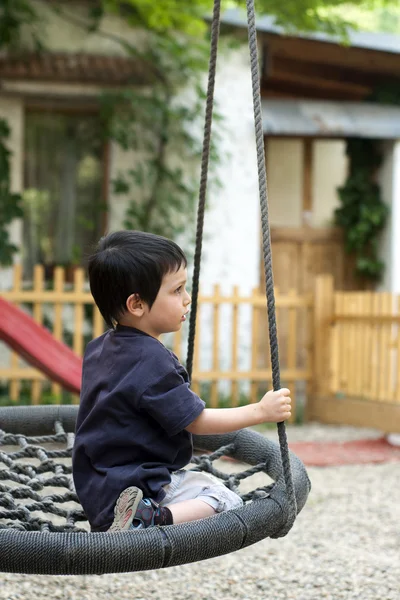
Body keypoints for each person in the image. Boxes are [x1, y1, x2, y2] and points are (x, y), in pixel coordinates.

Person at [72, 230, 291, 532]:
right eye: (177, 291)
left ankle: (136, 515)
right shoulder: (152, 360)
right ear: (137, 304)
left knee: (201, 482)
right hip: (141, 485)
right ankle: (153, 518)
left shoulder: (98, 348)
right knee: (223, 496)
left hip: (96, 488)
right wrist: (261, 412)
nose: (187, 299)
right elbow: (197, 421)